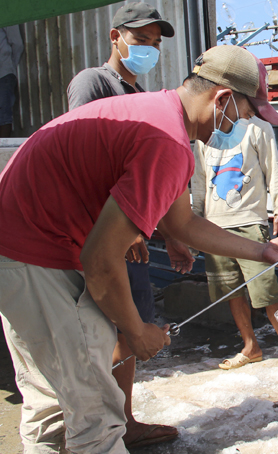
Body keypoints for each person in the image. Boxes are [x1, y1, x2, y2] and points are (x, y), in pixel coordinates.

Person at [0, 44, 278, 454]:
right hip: (39, 257)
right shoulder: (165, 140)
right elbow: (100, 261)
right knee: (97, 413)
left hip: (17, 253)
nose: (240, 123)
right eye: (245, 113)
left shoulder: (157, 113)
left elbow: (181, 223)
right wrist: (136, 330)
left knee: (52, 402)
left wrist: (265, 251)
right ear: (221, 99)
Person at [66, 3, 189, 448]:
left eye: (156, 43)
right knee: (111, 328)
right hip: (105, 234)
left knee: (128, 323)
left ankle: (124, 418)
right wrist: (123, 232)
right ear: (116, 37)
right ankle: (108, 424)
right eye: (141, 40)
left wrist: (169, 235)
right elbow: (85, 160)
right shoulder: (92, 83)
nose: (150, 50)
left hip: (132, 232)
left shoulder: (140, 93)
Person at [192, 83, 278, 372]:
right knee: (231, 290)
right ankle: (250, 346)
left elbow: (273, 170)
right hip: (213, 227)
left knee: (266, 290)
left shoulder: (257, 127)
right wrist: (193, 220)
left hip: (250, 222)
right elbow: (199, 181)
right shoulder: (205, 134)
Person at [0, 25, 23, 138]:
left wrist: (10, 67)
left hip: (4, 73)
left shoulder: (5, 11)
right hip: (5, 70)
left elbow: (17, 44)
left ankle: (2, 152)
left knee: (4, 116)